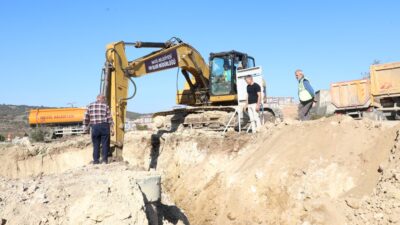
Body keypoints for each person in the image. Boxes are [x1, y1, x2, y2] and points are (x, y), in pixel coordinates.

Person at [83, 95, 114, 164]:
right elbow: (109, 118)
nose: (104, 100)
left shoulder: (90, 105)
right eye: (104, 99)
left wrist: (86, 127)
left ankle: (96, 160)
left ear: (97, 99)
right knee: (105, 144)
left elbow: (86, 118)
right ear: (103, 99)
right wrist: (112, 128)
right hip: (104, 126)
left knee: (96, 144)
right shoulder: (105, 106)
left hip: (95, 127)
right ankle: (104, 160)